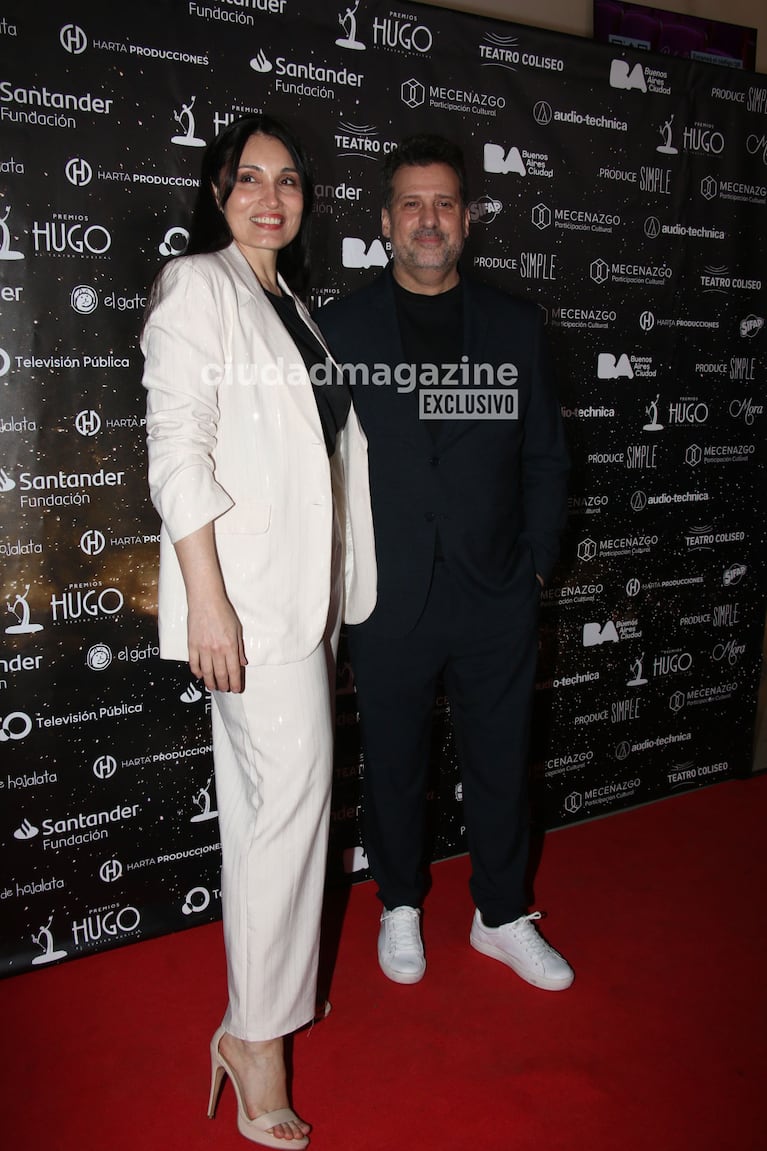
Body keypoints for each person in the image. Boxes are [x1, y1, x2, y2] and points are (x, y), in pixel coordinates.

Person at [141, 114, 376, 1148]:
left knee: (264, 818)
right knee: (287, 826)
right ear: (216, 188)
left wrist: (343, 585)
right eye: (249, 178)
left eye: (286, 181)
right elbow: (176, 454)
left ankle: (250, 1021)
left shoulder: (294, 306)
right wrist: (207, 600)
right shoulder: (200, 287)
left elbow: (326, 459)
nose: (269, 196)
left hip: (302, 600)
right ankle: (259, 1047)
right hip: (245, 606)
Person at [316, 134, 573, 992]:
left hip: (494, 586)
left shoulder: (514, 324)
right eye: (412, 204)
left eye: (445, 204)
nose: (429, 220)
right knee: (392, 757)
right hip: (389, 593)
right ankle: (399, 901)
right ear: (387, 221)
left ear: (466, 219)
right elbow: (310, 465)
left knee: (502, 757)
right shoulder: (340, 326)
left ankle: (500, 913)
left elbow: (544, 455)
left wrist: (535, 565)